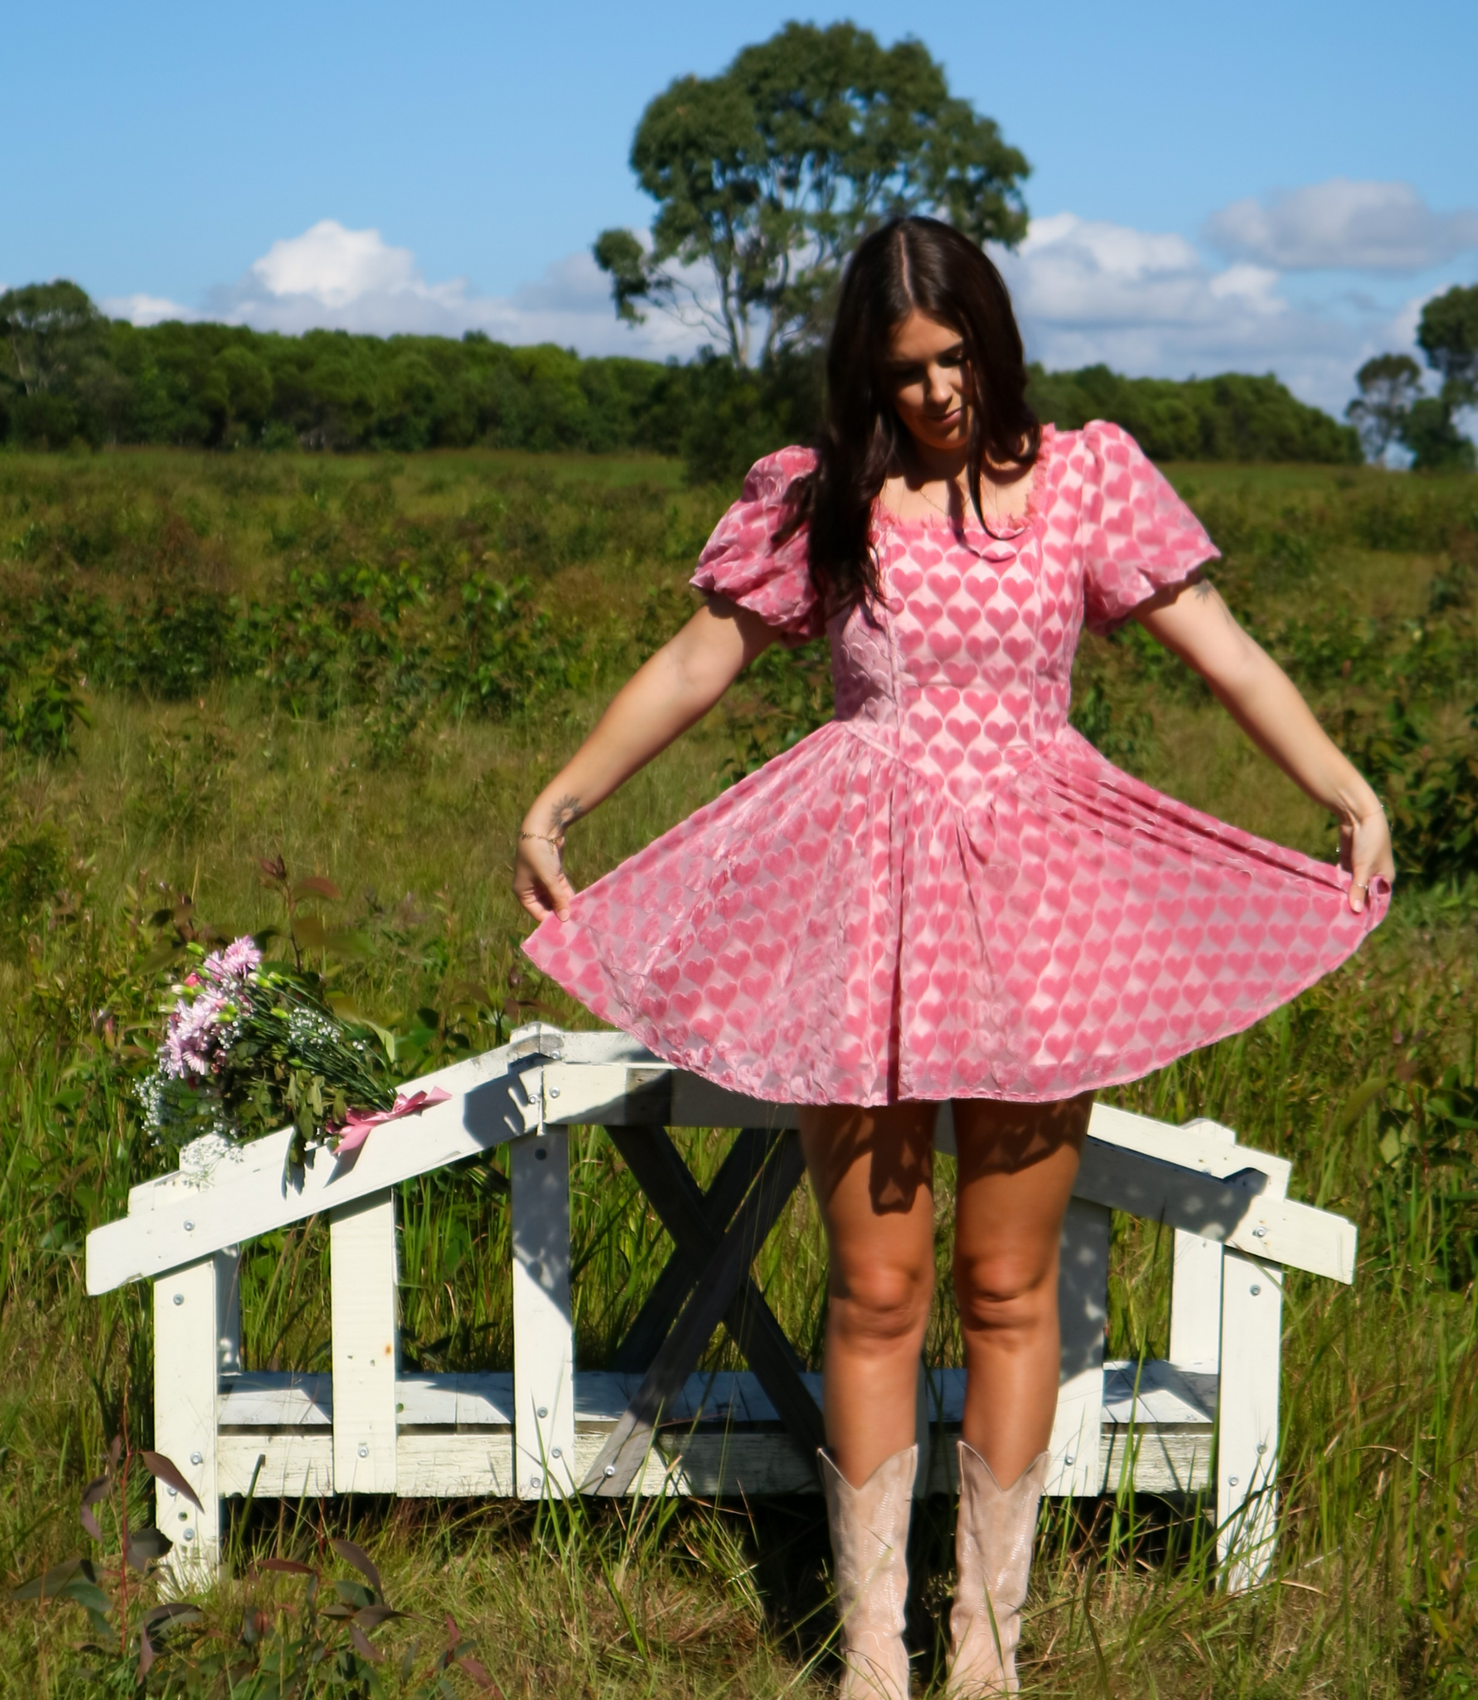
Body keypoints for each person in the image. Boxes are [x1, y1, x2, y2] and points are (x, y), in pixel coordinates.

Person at [513, 216, 1393, 1698]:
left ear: (998, 333)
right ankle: (874, 1654)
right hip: (858, 900)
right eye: (905, 368)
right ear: (867, 371)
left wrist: (1344, 787)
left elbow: (1224, 649)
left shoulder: (1087, 478)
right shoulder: (825, 497)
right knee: (875, 1289)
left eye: (958, 355)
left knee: (1004, 1284)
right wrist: (563, 795)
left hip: (1040, 903)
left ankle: (985, 1649)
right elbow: (699, 658)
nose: (936, 390)